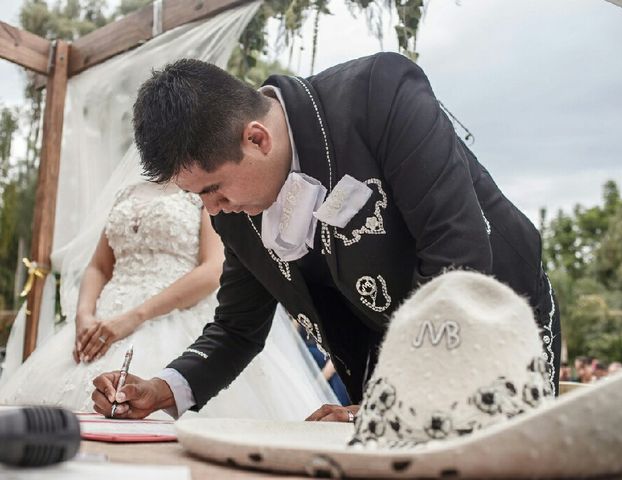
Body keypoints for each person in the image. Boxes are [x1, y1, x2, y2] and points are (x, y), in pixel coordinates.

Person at [91, 52, 561, 422]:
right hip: (384, 363)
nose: (213, 211)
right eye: (200, 198)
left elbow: (457, 252)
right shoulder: (234, 212)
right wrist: (162, 389)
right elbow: (238, 327)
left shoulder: (381, 93)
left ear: (257, 139)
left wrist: (394, 402)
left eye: (213, 190)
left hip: (493, 319)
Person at [0, 181, 336, 418]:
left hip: (172, 316)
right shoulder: (125, 193)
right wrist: (84, 315)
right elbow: (99, 267)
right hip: (103, 322)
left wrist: (136, 316)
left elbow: (213, 268)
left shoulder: (202, 189)